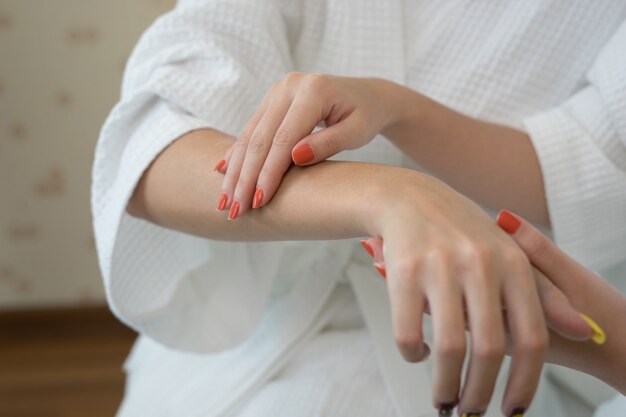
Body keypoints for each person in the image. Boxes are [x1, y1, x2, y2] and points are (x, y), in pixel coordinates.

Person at [91, 1, 626, 416]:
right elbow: (152, 150)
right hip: (253, 329)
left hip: (498, 332)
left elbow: (592, 160)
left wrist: (398, 109)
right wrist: (391, 195)